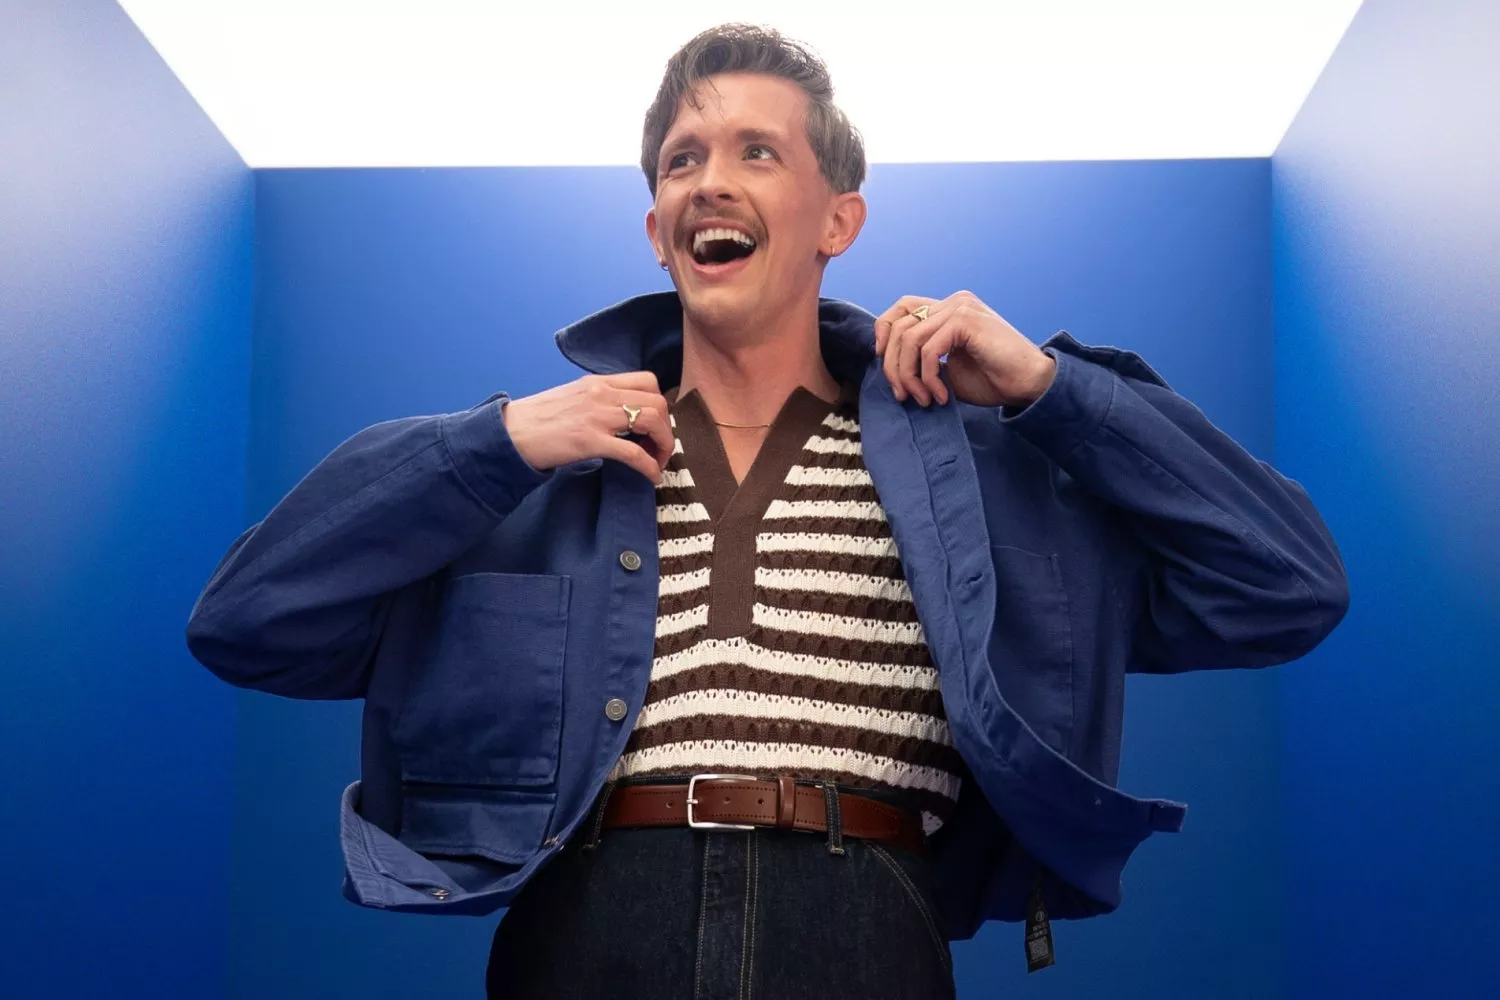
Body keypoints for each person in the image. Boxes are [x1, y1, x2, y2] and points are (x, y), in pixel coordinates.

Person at [186, 23, 1348, 1000]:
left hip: (864, 929)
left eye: (756, 150)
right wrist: (490, 445)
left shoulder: (983, 478)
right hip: (588, 932)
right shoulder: (532, 475)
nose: (711, 180)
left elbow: (1286, 584)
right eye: (681, 159)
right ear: (657, 229)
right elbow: (246, 620)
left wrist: (1051, 389)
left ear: (837, 219)